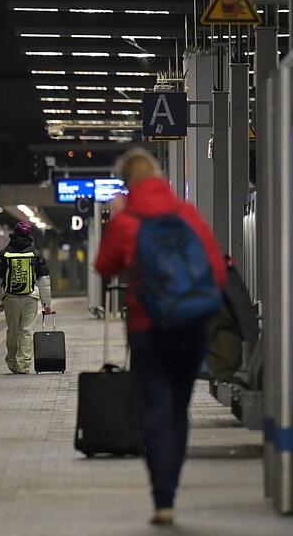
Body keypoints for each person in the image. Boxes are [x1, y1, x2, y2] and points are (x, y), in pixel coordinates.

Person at [95, 148, 226, 526]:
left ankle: (162, 498)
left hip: (147, 329)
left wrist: (118, 220)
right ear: (158, 177)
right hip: (190, 329)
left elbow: (104, 266)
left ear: (127, 183)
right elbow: (216, 272)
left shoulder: (127, 220)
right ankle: (171, 486)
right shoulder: (185, 213)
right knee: (178, 408)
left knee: (156, 408)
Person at [0, 221, 52, 374]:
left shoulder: (3, 253)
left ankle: (11, 361)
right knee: (26, 331)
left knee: (12, 331)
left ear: (14, 234)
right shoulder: (35, 254)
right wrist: (46, 303)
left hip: (10, 298)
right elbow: (44, 281)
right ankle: (23, 364)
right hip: (30, 298)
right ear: (28, 234)